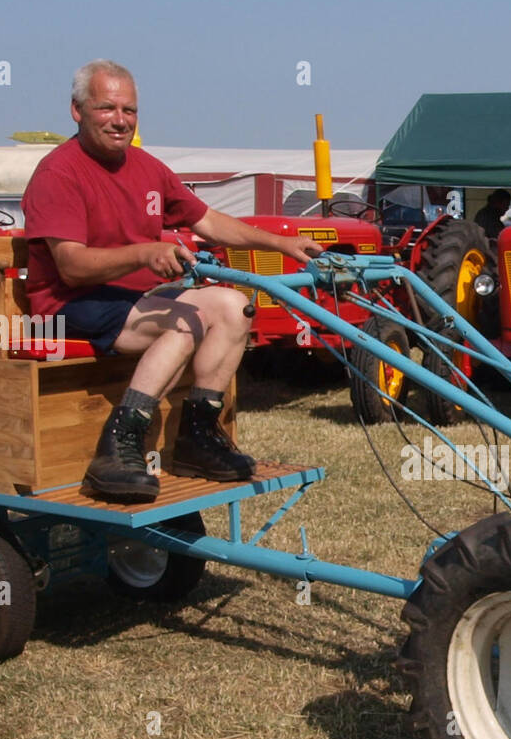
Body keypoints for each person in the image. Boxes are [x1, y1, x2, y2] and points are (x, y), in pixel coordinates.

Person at [22, 59, 322, 503]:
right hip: (70, 304)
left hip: (136, 299)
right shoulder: (57, 173)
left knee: (233, 306)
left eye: (130, 110)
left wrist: (281, 243)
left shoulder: (147, 168)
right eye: (107, 108)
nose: (120, 120)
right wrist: (145, 253)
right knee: (185, 320)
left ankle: (197, 437)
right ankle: (116, 448)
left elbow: (208, 221)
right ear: (77, 110)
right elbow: (72, 267)